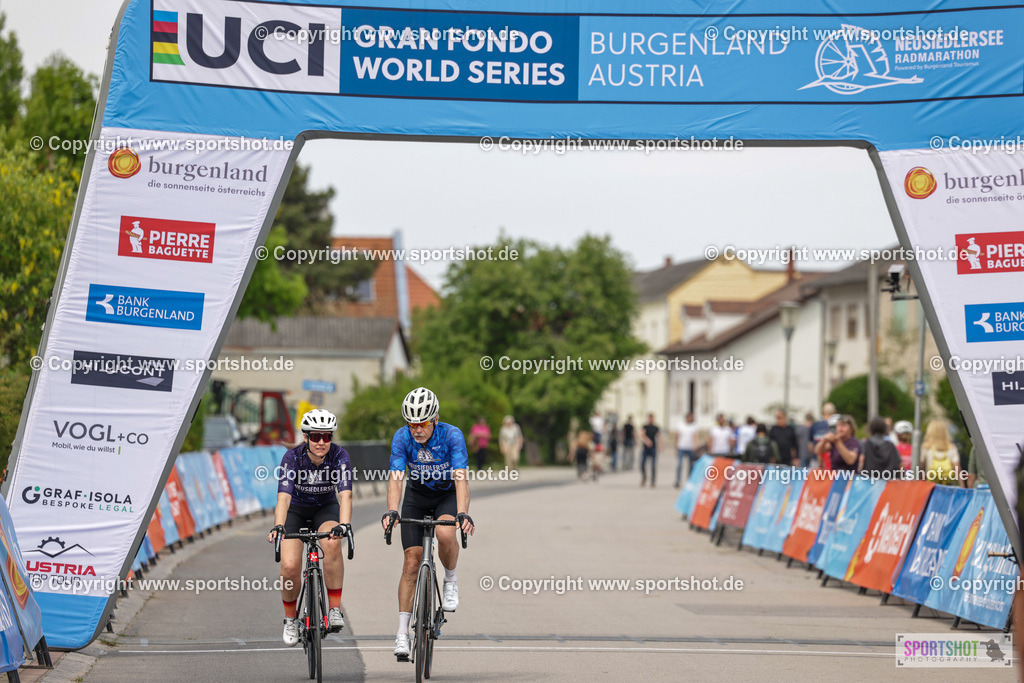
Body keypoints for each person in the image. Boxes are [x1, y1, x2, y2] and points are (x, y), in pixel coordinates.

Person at [382, 387, 476, 659]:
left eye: (422, 423)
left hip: (446, 495)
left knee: (446, 535)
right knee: (411, 562)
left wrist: (462, 512)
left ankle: (450, 579)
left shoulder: (452, 435)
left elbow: (461, 477)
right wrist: (391, 510)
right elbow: (396, 477)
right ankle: (402, 633)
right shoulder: (401, 437)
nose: (416, 430)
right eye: (411, 423)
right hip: (417, 495)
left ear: (435, 418)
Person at [267, 409, 352, 647]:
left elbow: (345, 495)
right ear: (306, 437)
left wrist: (344, 525)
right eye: (316, 437)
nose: (322, 442)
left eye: (327, 437)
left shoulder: (340, 455)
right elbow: (283, 499)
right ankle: (290, 619)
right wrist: (279, 527)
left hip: (325, 509)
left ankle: (334, 609)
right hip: (295, 510)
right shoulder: (292, 458)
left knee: (332, 543)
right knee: (290, 565)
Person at [922, 419, 961, 486]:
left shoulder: (926, 447)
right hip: (947, 484)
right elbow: (957, 467)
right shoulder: (952, 447)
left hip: (930, 484)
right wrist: (962, 486)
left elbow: (921, 466)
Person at [674, 412, 699, 488]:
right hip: (681, 447)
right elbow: (677, 436)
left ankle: (690, 480)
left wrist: (695, 446)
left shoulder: (694, 426)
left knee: (691, 465)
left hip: (690, 447)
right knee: (680, 465)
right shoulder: (680, 425)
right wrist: (676, 447)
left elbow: (695, 437)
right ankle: (678, 480)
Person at [808, 402, 836, 468]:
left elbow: (810, 446)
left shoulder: (815, 425)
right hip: (830, 461)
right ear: (834, 412)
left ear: (822, 412)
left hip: (815, 460)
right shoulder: (836, 426)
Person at [640, 413, 660, 488]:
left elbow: (659, 436)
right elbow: (641, 435)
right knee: (642, 464)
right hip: (645, 448)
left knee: (653, 465)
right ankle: (644, 477)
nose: (650, 420)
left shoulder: (656, 427)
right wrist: (646, 441)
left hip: (653, 448)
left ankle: (653, 481)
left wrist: (661, 445)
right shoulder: (645, 427)